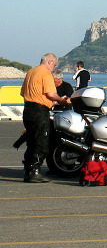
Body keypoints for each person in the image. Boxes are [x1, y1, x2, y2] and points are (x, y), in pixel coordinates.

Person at [19, 53, 71, 183]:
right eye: (54, 65)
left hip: (28, 109)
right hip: (39, 110)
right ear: (50, 62)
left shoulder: (31, 72)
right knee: (41, 141)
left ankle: (28, 170)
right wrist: (61, 100)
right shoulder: (46, 74)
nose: (54, 68)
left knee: (31, 141)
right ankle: (34, 171)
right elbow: (51, 94)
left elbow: (22, 92)